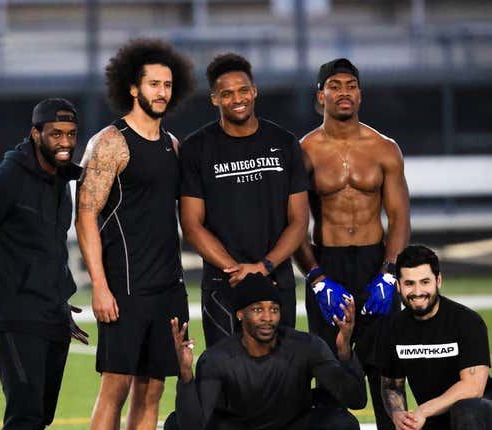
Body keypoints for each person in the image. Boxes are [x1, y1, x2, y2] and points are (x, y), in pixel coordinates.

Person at [75, 39, 195, 430]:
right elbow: (86, 216)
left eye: (167, 85)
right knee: (117, 387)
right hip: (124, 288)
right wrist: (99, 286)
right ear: (133, 87)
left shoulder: (172, 146)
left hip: (168, 288)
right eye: (153, 84)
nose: (161, 92)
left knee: (153, 389)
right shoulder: (109, 143)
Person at [294, 57, 410, 429]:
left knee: (386, 370)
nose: (343, 92)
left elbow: (400, 218)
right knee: (329, 368)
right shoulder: (304, 151)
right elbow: (295, 224)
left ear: (360, 94)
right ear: (320, 95)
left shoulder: (384, 148)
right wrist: (315, 278)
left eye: (350, 85)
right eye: (335, 86)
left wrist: (391, 273)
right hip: (328, 265)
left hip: (376, 262)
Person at [0, 98, 88, 429]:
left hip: (52, 314)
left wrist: (59, 300)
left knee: (41, 416)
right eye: (55, 134)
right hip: (14, 314)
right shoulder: (5, 180)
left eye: (71, 134)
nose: (65, 142)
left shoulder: (63, 180)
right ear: (35, 134)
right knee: (25, 414)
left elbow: (51, 248)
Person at [179, 53, 309, 347]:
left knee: (282, 381)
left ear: (254, 92)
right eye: (226, 94)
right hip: (223, 287)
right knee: (227, 383)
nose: (237, 99)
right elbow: (191, 224)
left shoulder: (284, 142)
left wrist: (264, 267)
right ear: (215, 99)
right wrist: (237, 270)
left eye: (242, 90)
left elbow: (300, 221)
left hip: (276, 280)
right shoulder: (196, 148)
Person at [165, 272, 366, 430]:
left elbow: (356, 400)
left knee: (342, 423)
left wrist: (344, 350)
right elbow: (192, 425)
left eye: (274, 309)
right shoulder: (218, 358)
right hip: (239, 427)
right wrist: (186, 375)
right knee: (175, 424)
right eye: (258, 309)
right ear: (240, 314)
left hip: (292, 426)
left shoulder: (307, 346)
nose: (267, 317)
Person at [381, 245, 492, 430]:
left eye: (425, 282)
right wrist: (398, 414)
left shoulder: (467, 321)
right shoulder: (393, 328)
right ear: (398, 285)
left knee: (466, 410)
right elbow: (392, 386)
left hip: (480, 415)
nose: (417, 292)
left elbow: (473, 388)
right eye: (409, 283)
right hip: (434, 418)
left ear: (438, 280)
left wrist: (423, 410)